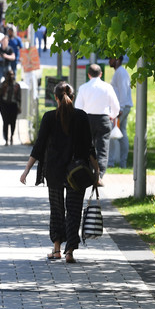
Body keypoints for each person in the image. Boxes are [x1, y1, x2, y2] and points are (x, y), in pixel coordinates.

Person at [18, 82, 98, 264]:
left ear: (55, 98)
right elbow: (89, 146)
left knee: (56, 209)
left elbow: (39, 146)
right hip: (77, 172)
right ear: (73, 96)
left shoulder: (48, 117)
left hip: (54, 171)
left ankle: (56, 249)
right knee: (74, 210)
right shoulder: (81, 117)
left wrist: (27, 170)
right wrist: (97, 170)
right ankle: (70, 251)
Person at [75, 63, 120, 184]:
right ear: (101, 74)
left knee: (87, 148)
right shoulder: (107, 87)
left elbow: (78, 107)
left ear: (88, 75)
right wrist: (112, 116)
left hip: (87, 120)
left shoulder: (83, 88)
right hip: (104, 119)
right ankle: (99, 176)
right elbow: (116, 106)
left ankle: (88, 172)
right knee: (103, 149)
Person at [108, 57, 132, 168]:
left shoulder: (121, 72)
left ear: (117, 59)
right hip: (123, 107)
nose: (109, 61)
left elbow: (123, 90)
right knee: (121, 132)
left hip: (121, 108)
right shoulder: (120, 72)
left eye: (111, 58)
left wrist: (120, 108)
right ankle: (122, 163)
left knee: (111, 131)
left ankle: (111, 162)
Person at [0, 71, 22, 146]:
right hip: (4, 105)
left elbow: (19, 97)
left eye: (11, 75)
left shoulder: (17, 85)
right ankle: (6, 139)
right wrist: (4, 86)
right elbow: (0, 93)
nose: (10, 76)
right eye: (9, 75)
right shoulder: (3, 84)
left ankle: (11, 136)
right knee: (5, 122)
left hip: (13, 106)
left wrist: (19, 106)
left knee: (13, 123)